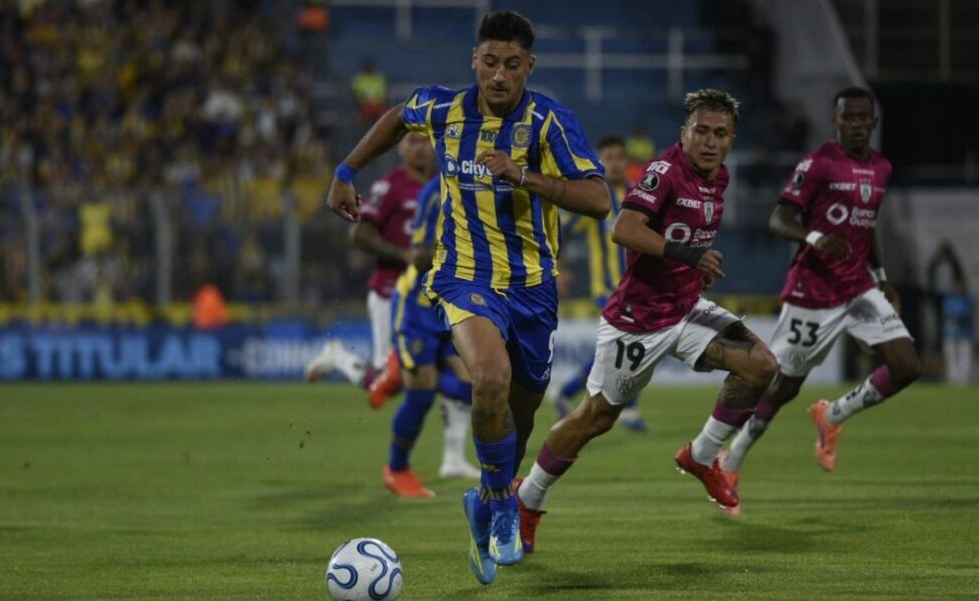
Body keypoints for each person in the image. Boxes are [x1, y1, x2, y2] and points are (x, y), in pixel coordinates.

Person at [323, 11, 609, 585]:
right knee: (490, 381)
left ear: (528, 67)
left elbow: (600, 200)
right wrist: (346, 169)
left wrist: (524, 177)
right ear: (474, 60)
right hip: (463, 276)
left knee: (519, 418)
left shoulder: (550, 122)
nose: (498, 75)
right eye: (489, 62)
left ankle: (484, 500)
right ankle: (504, 504)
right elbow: (398, 116)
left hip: (532, 287)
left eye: (511, 65)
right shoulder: (445, 108)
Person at [515, 90, 779, 552]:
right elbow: (623, 229)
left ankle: (700, 457)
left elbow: (685, 238)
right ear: (685, 133)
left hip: (685, 307)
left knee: (761, 365)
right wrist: (688, 255)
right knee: (596, 418)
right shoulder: (664, 173)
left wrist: (692, 269)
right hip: (639, 320)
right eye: (701, 131)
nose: (710, 142)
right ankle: (529, 496)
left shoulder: (719, 178)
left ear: (732, 139)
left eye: (720, 134)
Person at [719, 87, 921, 515]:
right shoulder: (819, 163)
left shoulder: (881, 167)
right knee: (782, 386)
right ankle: (731, 459)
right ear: (836, 121)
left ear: (874, 122)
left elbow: (867, 229)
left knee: (906, 365)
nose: (857, 124)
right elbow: (779, 217)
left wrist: (882, 278)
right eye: (848, 117)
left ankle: (833, 416)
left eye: (863, 117)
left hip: (858, 290)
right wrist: (813, 237)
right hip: (812, 294)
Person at [305, 132, 435, 409]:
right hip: (391, 291)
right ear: (399, 146)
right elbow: (359, 236)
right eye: (412, 141)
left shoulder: (443, 186)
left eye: (425, 141)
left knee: (441, 369)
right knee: (390, 380)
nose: (420, 148)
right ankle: (339, 357)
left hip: (429, 293)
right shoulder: (388, 187)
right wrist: (404, 255)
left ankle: (453, 453)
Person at [382, 179, 481, 497]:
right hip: (419, 307)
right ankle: (396, 469)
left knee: (469, 387)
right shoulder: (435, 192)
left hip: (451, 303)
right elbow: (418, 256)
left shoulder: (484, 187)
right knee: (421, 396)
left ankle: (402, 373)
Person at [549, 135, 647, 432]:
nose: (615, 163)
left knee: (627, 346)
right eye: (609, 157)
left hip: (639, 287)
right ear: (600, 162)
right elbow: (563, 230)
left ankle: (566, 393)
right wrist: (560, 268)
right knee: (630, 341)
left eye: (620, 157)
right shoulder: (597, 199)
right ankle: (626, 407)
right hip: (607, 289)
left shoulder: (639, 197)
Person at [942, 275, 974, 386]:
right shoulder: (949, 299)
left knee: (965, 357)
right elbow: (947, 313)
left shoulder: (967, 299)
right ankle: (953, 380)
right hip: (951, 332)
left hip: (965, 332)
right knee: (952, 357)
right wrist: (955, 316)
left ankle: (965, 380)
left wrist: (957, 316)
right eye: (957, 286)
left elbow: (966, 313)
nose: (959, 289)